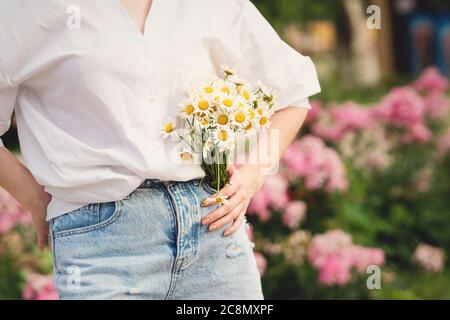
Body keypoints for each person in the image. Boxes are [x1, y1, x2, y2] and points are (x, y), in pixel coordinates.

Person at [0, 0, 320, 299]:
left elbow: (292, 93)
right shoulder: (30, 9)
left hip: (213, 230)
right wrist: (33, 197)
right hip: (99, 247)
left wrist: (252, 175)